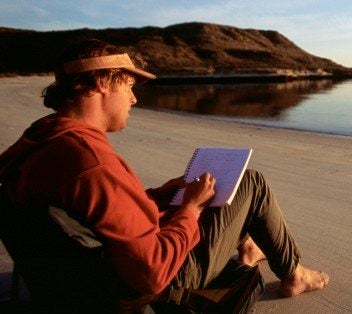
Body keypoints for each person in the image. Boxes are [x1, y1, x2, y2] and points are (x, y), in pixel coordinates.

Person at [0, 39, 329, 311]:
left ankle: (247, 245)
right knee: (250, 182)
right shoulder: (91, 161)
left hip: (83, 277)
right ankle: (294, 274)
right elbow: (153, 273)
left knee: (210, 193)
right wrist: (191, 209)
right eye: (128, 85)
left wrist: (162, 195)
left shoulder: (40, 139)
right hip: (153, 282)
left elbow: (99, 212)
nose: (133, 97)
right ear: (101, 82)